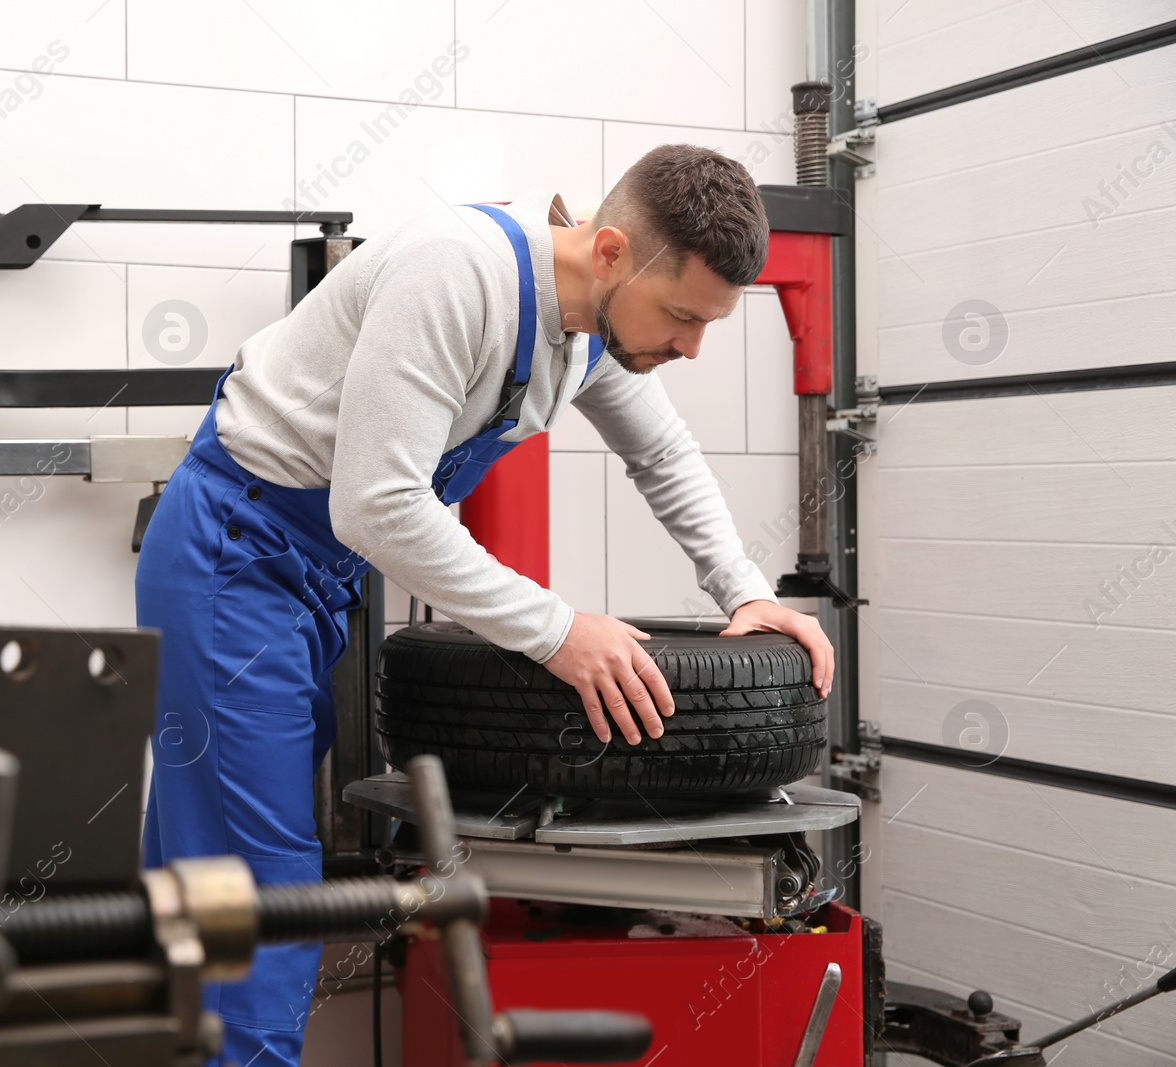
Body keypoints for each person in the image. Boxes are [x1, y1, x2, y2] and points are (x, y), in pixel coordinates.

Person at [136, 143, 836, 1067]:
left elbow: (664, 457)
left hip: (311, 577)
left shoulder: (589, 326)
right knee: (262, 884)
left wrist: (746, 592)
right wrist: (558, 632)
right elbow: (376, 504)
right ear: (614, 250)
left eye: (707, 324)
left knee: (206, 859)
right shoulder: (458, 275)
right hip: (238, 556)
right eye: (680, 316)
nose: (689, 347)